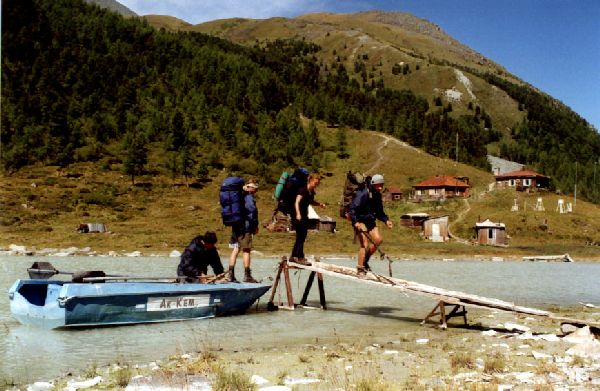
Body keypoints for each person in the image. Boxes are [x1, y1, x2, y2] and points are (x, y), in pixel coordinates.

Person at [348, 174, 393, 276]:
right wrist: (356, 222)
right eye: (378, 185)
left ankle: (365, 261)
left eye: (382, 185)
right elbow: (352, 209)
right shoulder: (363, 193)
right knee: (364, 244)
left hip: (370, 221)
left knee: (378, 240)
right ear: (373, 184)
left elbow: (380, 212)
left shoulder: (377, 195)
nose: (380, 187)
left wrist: (386, 220)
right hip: (360, 221)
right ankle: (360, 268)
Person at [227, 180, 260, 283]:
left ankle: (230, 275)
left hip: (236, 226)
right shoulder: (248, 197)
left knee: (236, 249)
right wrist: (255, 225)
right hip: (245, 227)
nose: (256, 190)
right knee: (246, 250)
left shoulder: (239, 196)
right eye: (255, 188)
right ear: (251, 188)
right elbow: (252, 211)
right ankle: (247, 275)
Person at [290, 172, 326, 265]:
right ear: (310, 180)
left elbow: (310, 201)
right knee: (301, 236)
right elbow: (297, 202)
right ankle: (299, 257)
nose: (316, 184)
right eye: (315, 182)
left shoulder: (311, 191)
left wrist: (319, 204)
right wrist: (298, 214)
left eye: (318, 183)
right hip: (297, 215)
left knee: (302, 236)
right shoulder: (303, 190)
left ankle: (294, 256)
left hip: (304, 216)